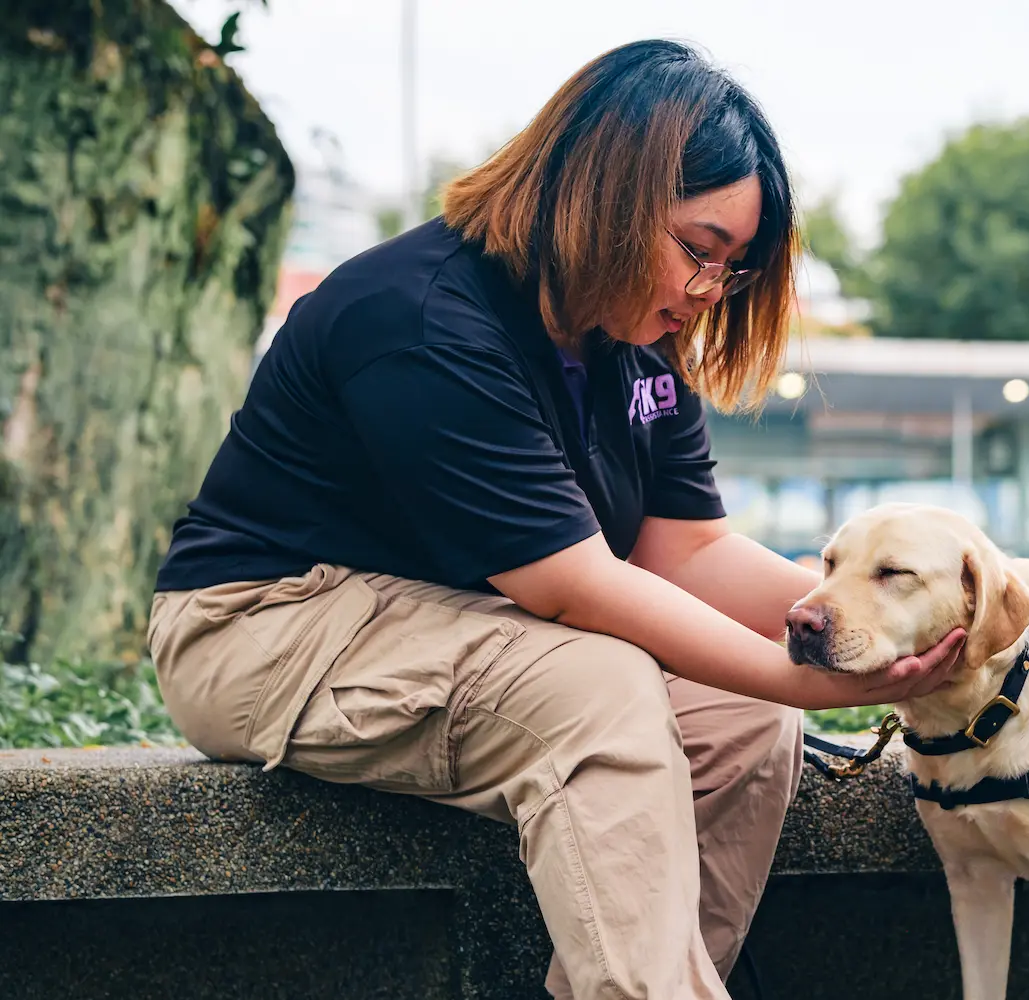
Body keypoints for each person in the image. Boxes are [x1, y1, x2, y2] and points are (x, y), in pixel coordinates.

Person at [146, 39, 965, 1000]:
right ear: (605, 192)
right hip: (261, 622)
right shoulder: (421, 318)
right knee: (600, 689)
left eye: (732, 270)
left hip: (459, 625)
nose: (709, 291)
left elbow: (687, 552)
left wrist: (894, 621)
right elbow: (572, 588)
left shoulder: (637, 335)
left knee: (744, 717)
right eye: (699, 249)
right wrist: (830, 688)